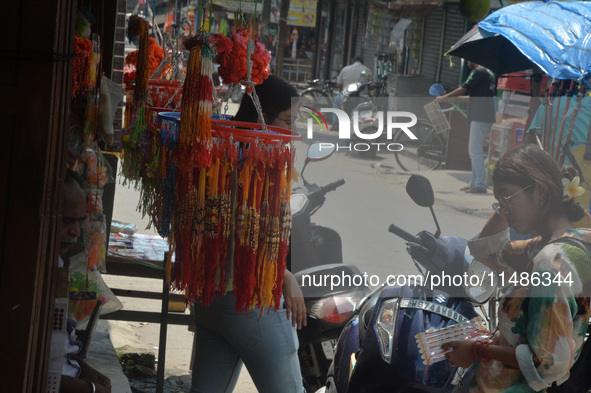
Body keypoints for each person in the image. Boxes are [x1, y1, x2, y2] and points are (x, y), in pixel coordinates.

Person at [190, 75, 306, 393]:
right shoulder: (254, 166)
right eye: (287, 121)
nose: (292, 132)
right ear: (261, 116)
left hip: (210, 299)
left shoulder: (220, 153)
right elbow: (243, 236)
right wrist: (286, 277)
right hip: (249, 303)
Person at [443, 144, 591, 392]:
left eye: (507, 197)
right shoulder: (563, 243)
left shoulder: (551, 260)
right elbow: (485, 253)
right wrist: (507, 203)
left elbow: (547, 362)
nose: (504, 210)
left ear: (540, 191)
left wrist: (478, 350)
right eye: (498, 202)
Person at [53, 170, 112, 393]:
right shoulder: (29, 275)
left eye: (79, 222)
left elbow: (59, 349)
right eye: (67, 221)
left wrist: (84, 369)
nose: (76, 232)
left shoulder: (56, 264)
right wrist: (90, 388)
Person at [435, 61, 496, 194]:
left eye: (469, 59)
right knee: (475, 150)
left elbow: (463, 88)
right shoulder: (488, 73)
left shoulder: (477, 72)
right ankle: (474, 183)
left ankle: (479, 184)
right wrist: (457, 99)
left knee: (475, 151)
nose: (468, 62)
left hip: (480, 116)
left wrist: (444, 97)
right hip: (485, 116)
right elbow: (473, 97)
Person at [331, 56, 373, 126]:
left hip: (346, 96)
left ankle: (336, 123)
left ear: (353, 61)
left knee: (336, 101)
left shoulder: (346, 69)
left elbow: (338, 85)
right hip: (362, 97)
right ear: (362, 62)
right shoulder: (366, 71)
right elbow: (371, 86)